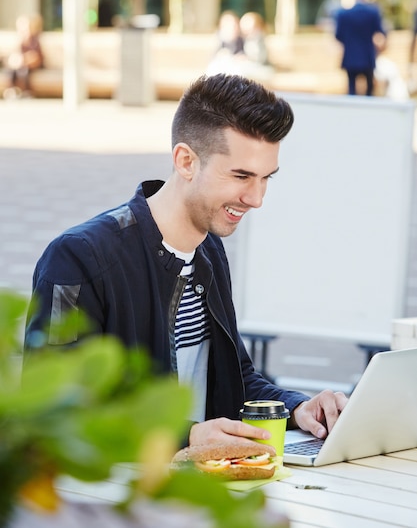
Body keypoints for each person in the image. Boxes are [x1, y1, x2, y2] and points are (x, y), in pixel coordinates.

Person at [24, 73, 348, 448]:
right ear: (186, 161)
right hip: (112, 498)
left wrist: (298, 409)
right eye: (241, 176)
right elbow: (54, 410)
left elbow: (234, 378)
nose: (256, 198)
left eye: (265, 178)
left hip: (199, 490)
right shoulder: (79, 257)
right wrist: (186, 438)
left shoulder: (208, 250)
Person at [335, 0, 386, 96]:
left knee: (351, 89)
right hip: (367, 55)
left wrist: (349, 43)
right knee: (369, 90)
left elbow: (338, 35)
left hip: (350, 56)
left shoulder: (343, 14)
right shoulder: (373, 12)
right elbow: (381, 32)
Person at [3, 14, 44, 99]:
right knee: (12, 70)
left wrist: (26, 59)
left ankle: (27, 91)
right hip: (23, 64)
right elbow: (17, 54)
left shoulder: (35, 40)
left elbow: (37, 57)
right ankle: (12, 90)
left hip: (34, 64)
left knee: (24, 71)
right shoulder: (21, 41)